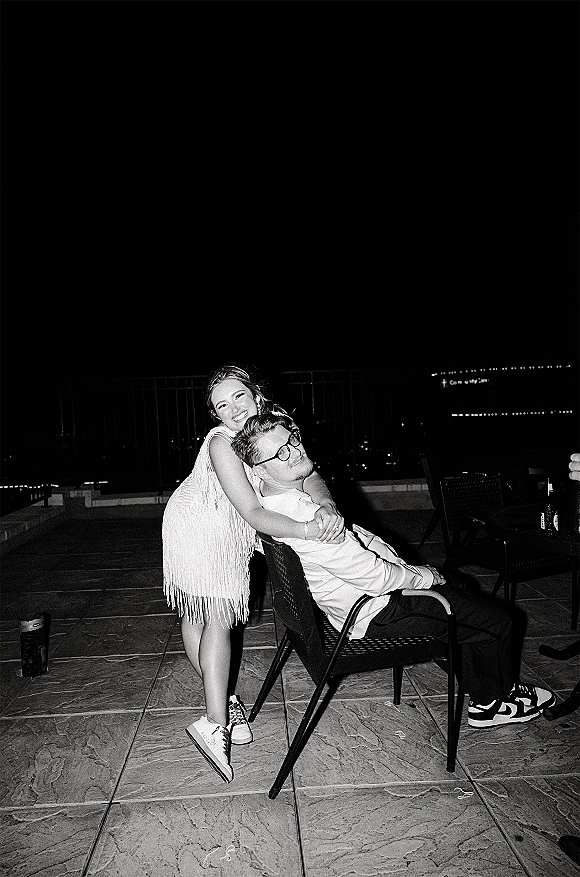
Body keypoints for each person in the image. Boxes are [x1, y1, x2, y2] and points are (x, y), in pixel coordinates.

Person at [232, 411, 557, 729]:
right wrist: (426, 574)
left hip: (355, 602)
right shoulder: (311, 522)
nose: (295, 451)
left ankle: (485, 688)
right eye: (280, 452)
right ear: (258, 471)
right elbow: (375, 577)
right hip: (376, 608)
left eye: (293, 439)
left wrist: (411, 568)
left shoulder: (274, 499)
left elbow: (345, 528)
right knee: (498, 621)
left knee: (462, 589)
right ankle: (492, 703)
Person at [162, 365, 345, 783]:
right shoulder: (224, 443)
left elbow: (308, 473)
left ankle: (222, 700)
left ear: (257, 395)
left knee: (203, 618)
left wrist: (327, 506)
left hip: (227, 525)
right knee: (217, 615)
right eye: (221, 406)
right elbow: (253, 511)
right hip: (199, 523)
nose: (233, 410)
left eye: (239, 396)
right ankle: (215, 720)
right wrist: (305, 528)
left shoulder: (273, 428)